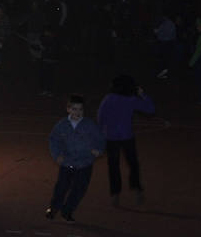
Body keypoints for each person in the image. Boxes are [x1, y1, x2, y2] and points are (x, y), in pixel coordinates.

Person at [45, 95, 105, 222]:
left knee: (79, 190)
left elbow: (100, 139)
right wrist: (57, 155)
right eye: (74, 109)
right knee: (61, 188)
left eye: (80, 109)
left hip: (84, 164)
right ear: (68, 109)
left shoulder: (89, 125)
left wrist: (98, 149)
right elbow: (54, 140)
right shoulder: (62, 125)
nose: (77, 112)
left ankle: (67, 210)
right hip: (67, 163)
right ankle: (53, 208)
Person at [97, 75, 154, 206]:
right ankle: (137, 190)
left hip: (111, 138)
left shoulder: (108, 98)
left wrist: (101, 134)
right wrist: (143, 94)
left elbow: (100, 117)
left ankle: (115, 194)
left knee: (113, 166)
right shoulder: (131, 100)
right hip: (127, 137)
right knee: (133, 164)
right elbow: (151, 109)